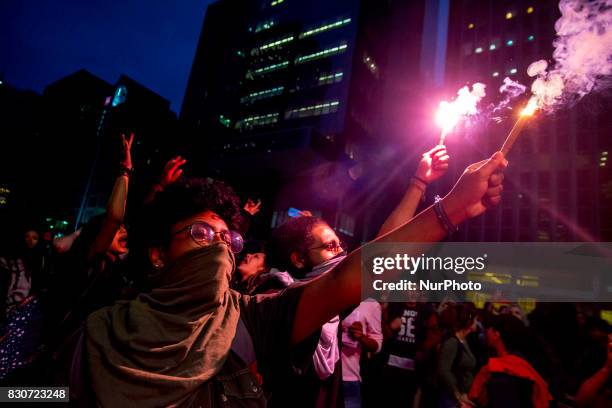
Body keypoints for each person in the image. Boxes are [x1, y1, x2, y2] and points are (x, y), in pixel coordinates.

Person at [69, 151, 506, 406]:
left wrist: (451, 209)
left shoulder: (250, 318)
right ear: (158, 254)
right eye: (201, 233)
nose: (220, 246)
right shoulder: (95, 323)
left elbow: (357, 273)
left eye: (229, 237)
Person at [469, 314, 553, 408]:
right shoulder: (519, 360)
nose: (485, 331)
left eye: (488, 328)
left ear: (496, 334)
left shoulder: (501, 375)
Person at [437, 303, 478, 407]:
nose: (477, 323)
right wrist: (458, 395)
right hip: (450, 398)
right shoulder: (452, 342)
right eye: (475, 320)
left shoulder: (463, 340)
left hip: (459, 396)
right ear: (470, 322)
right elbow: (443, 371)